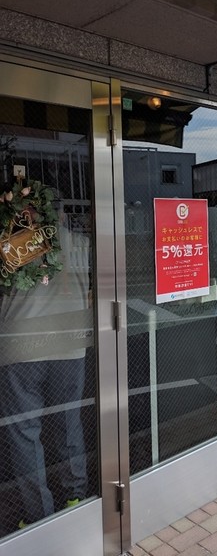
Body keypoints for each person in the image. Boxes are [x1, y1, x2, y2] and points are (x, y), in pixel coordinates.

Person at [0, 200, 93, 529]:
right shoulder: (81, 244)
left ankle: (38, 513)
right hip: (71, 342)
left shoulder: (10, 243)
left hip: (22, 344)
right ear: (61, 213)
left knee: (25, 432)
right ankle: (75, 496)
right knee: (69, 422)